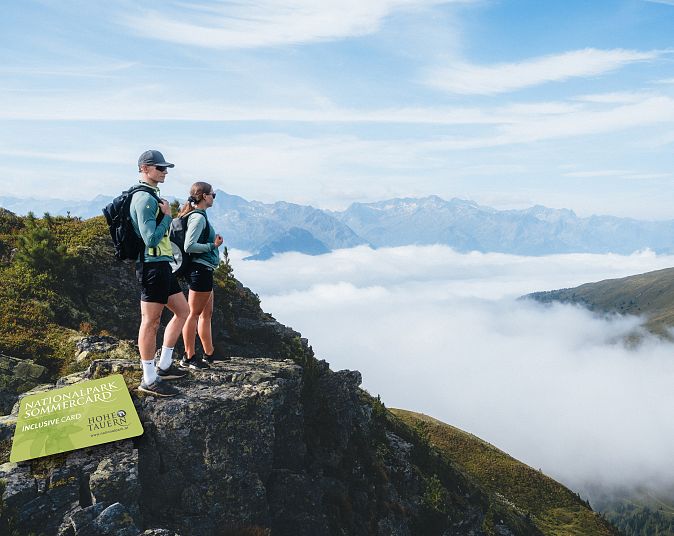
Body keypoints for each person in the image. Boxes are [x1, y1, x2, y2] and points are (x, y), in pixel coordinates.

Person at [131, 150, 189, 396]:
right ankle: (149, 378)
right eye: (160, 168)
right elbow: (151, 238)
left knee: (183, 311)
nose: (165, 172)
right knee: (151, 321)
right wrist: (167, 218)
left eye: (166, 169)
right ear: (145, 168)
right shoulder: (144, 199)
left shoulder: (153, 196)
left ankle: (164, 365)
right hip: (152, 266)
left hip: (163, 265)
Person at [177, 182, 225, 368]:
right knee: (193, 314)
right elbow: (190, 246)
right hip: (199, 272)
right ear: (204, 196)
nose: (213, 197)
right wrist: (213, 246)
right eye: (213, 194)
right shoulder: (198, 218)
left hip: (204, 271)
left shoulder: (199, 215)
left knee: (206, 313)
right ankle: (188, 357)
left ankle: (209, 353)